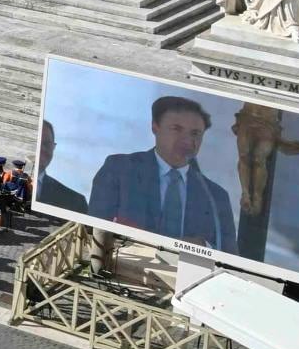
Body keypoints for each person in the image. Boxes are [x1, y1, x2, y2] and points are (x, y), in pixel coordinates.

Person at [87, 94, 237, 248]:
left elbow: (231, 258)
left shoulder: (216, 197)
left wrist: (205, 246)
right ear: (155, 127)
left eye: (195, 133)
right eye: (176, 129)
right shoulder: (119, 169)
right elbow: (91, 233)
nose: (186, 140)